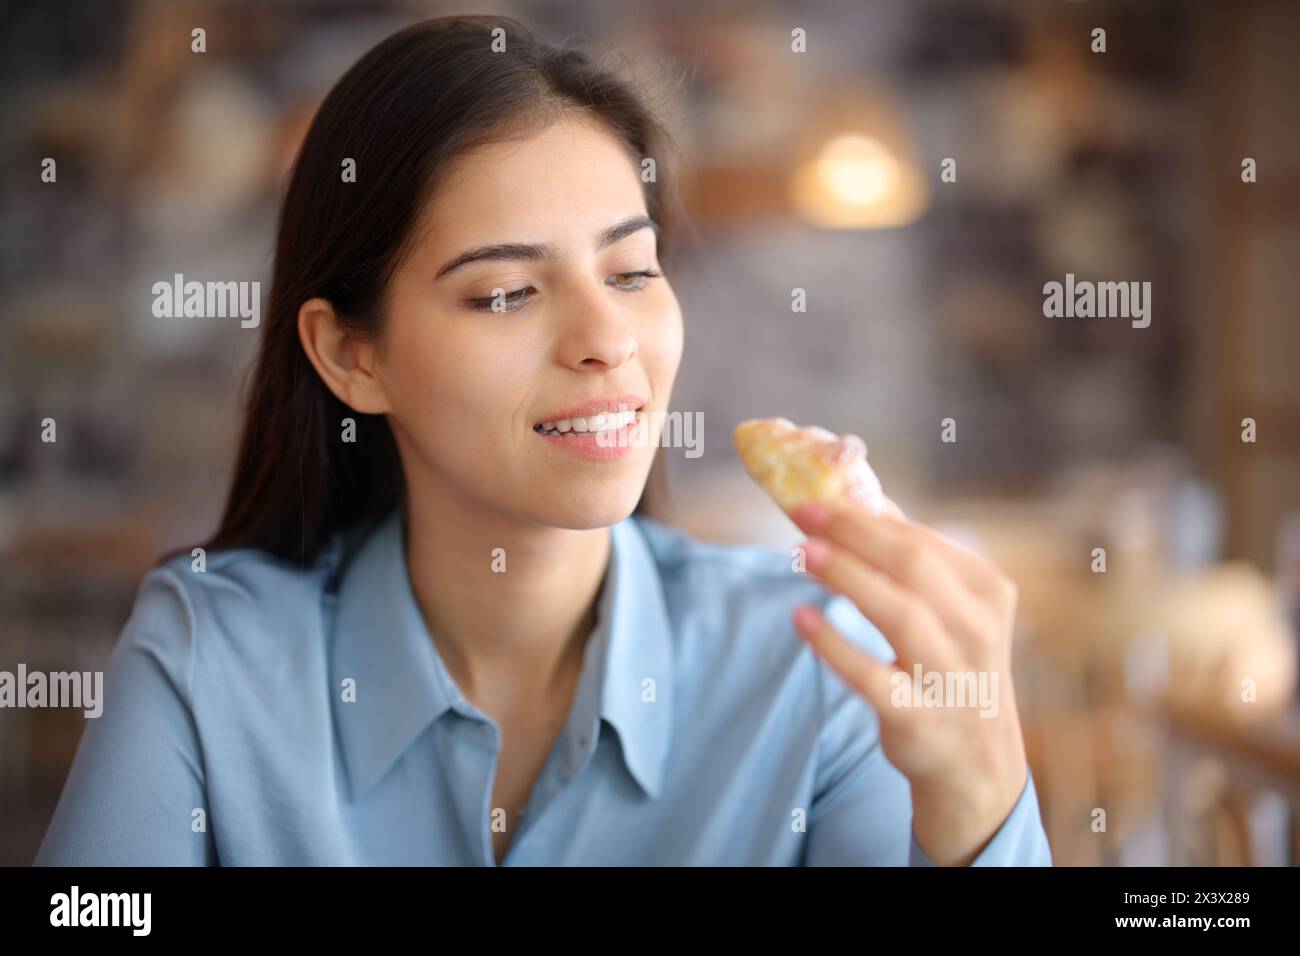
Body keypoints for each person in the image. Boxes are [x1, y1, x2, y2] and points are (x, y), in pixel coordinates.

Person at [35, 15, 1051, 866]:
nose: (608, 341)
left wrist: (982, 816)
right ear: (352, 356)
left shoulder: (823, 664)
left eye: (631, 271)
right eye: (506, 291)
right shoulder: (209, 663)